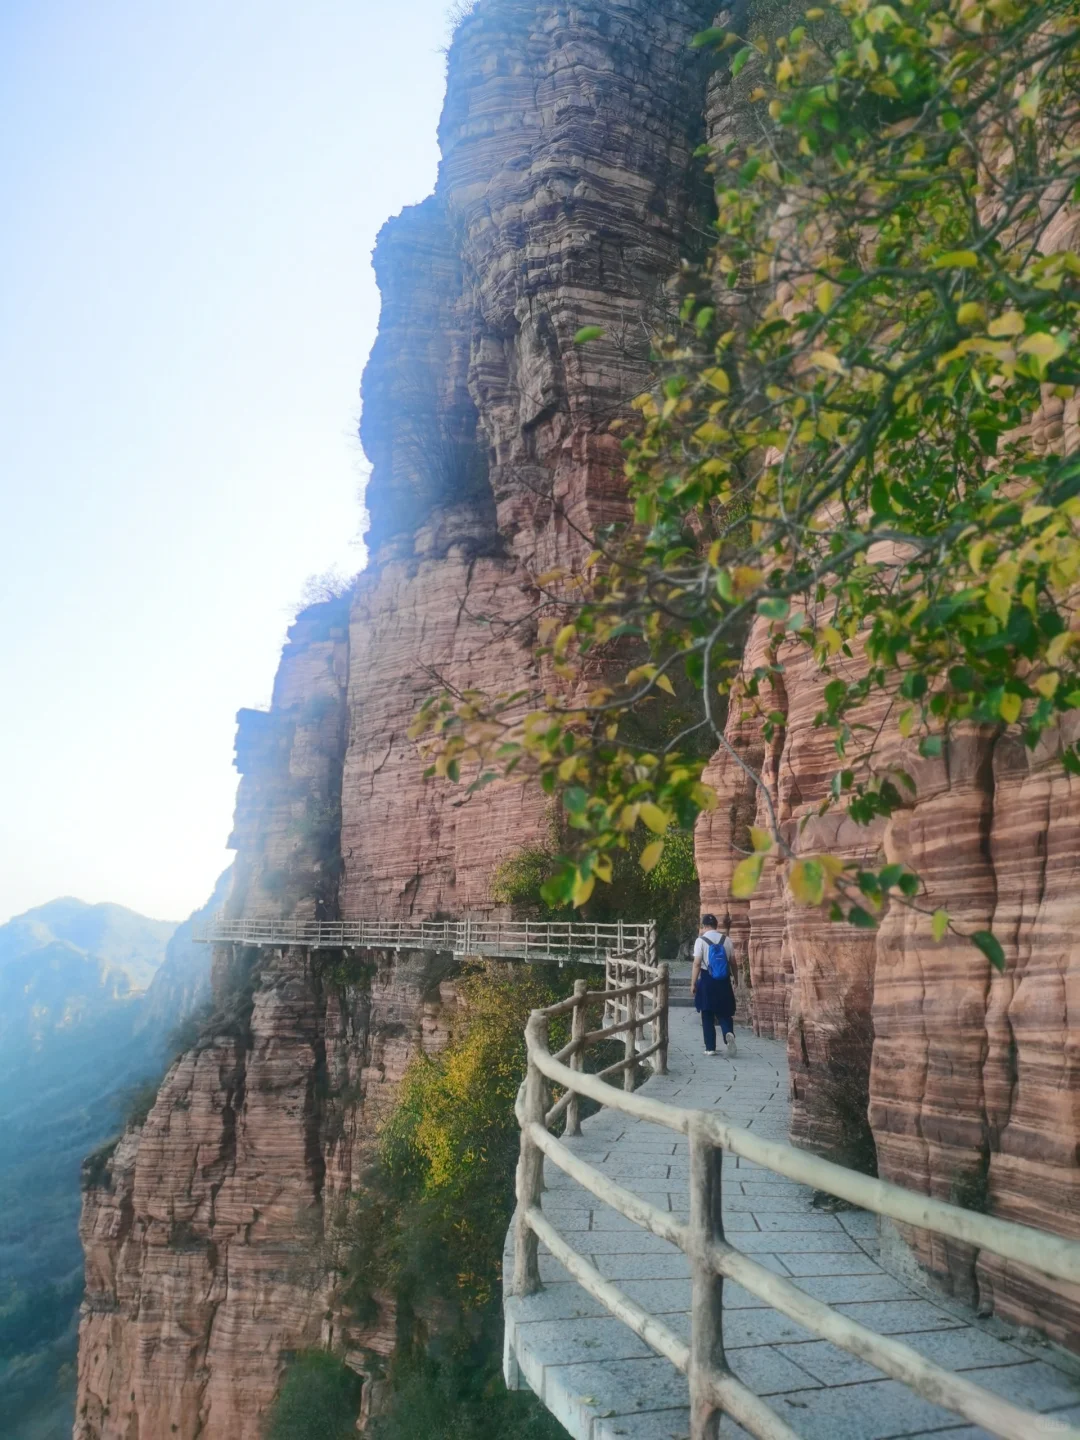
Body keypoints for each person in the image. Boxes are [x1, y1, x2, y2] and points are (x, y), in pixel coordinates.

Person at [692, 913, 737, 1058]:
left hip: (707, 980)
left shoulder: (700, 941)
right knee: (724, 1012)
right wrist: (736, 978)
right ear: (716, 925)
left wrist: (693, 983)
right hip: (723, 980)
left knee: (707, 1013)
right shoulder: (727, 940)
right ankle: (727, 1033)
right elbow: (733, 963)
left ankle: (710, 1048)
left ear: (704, 926)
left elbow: (697, 963)